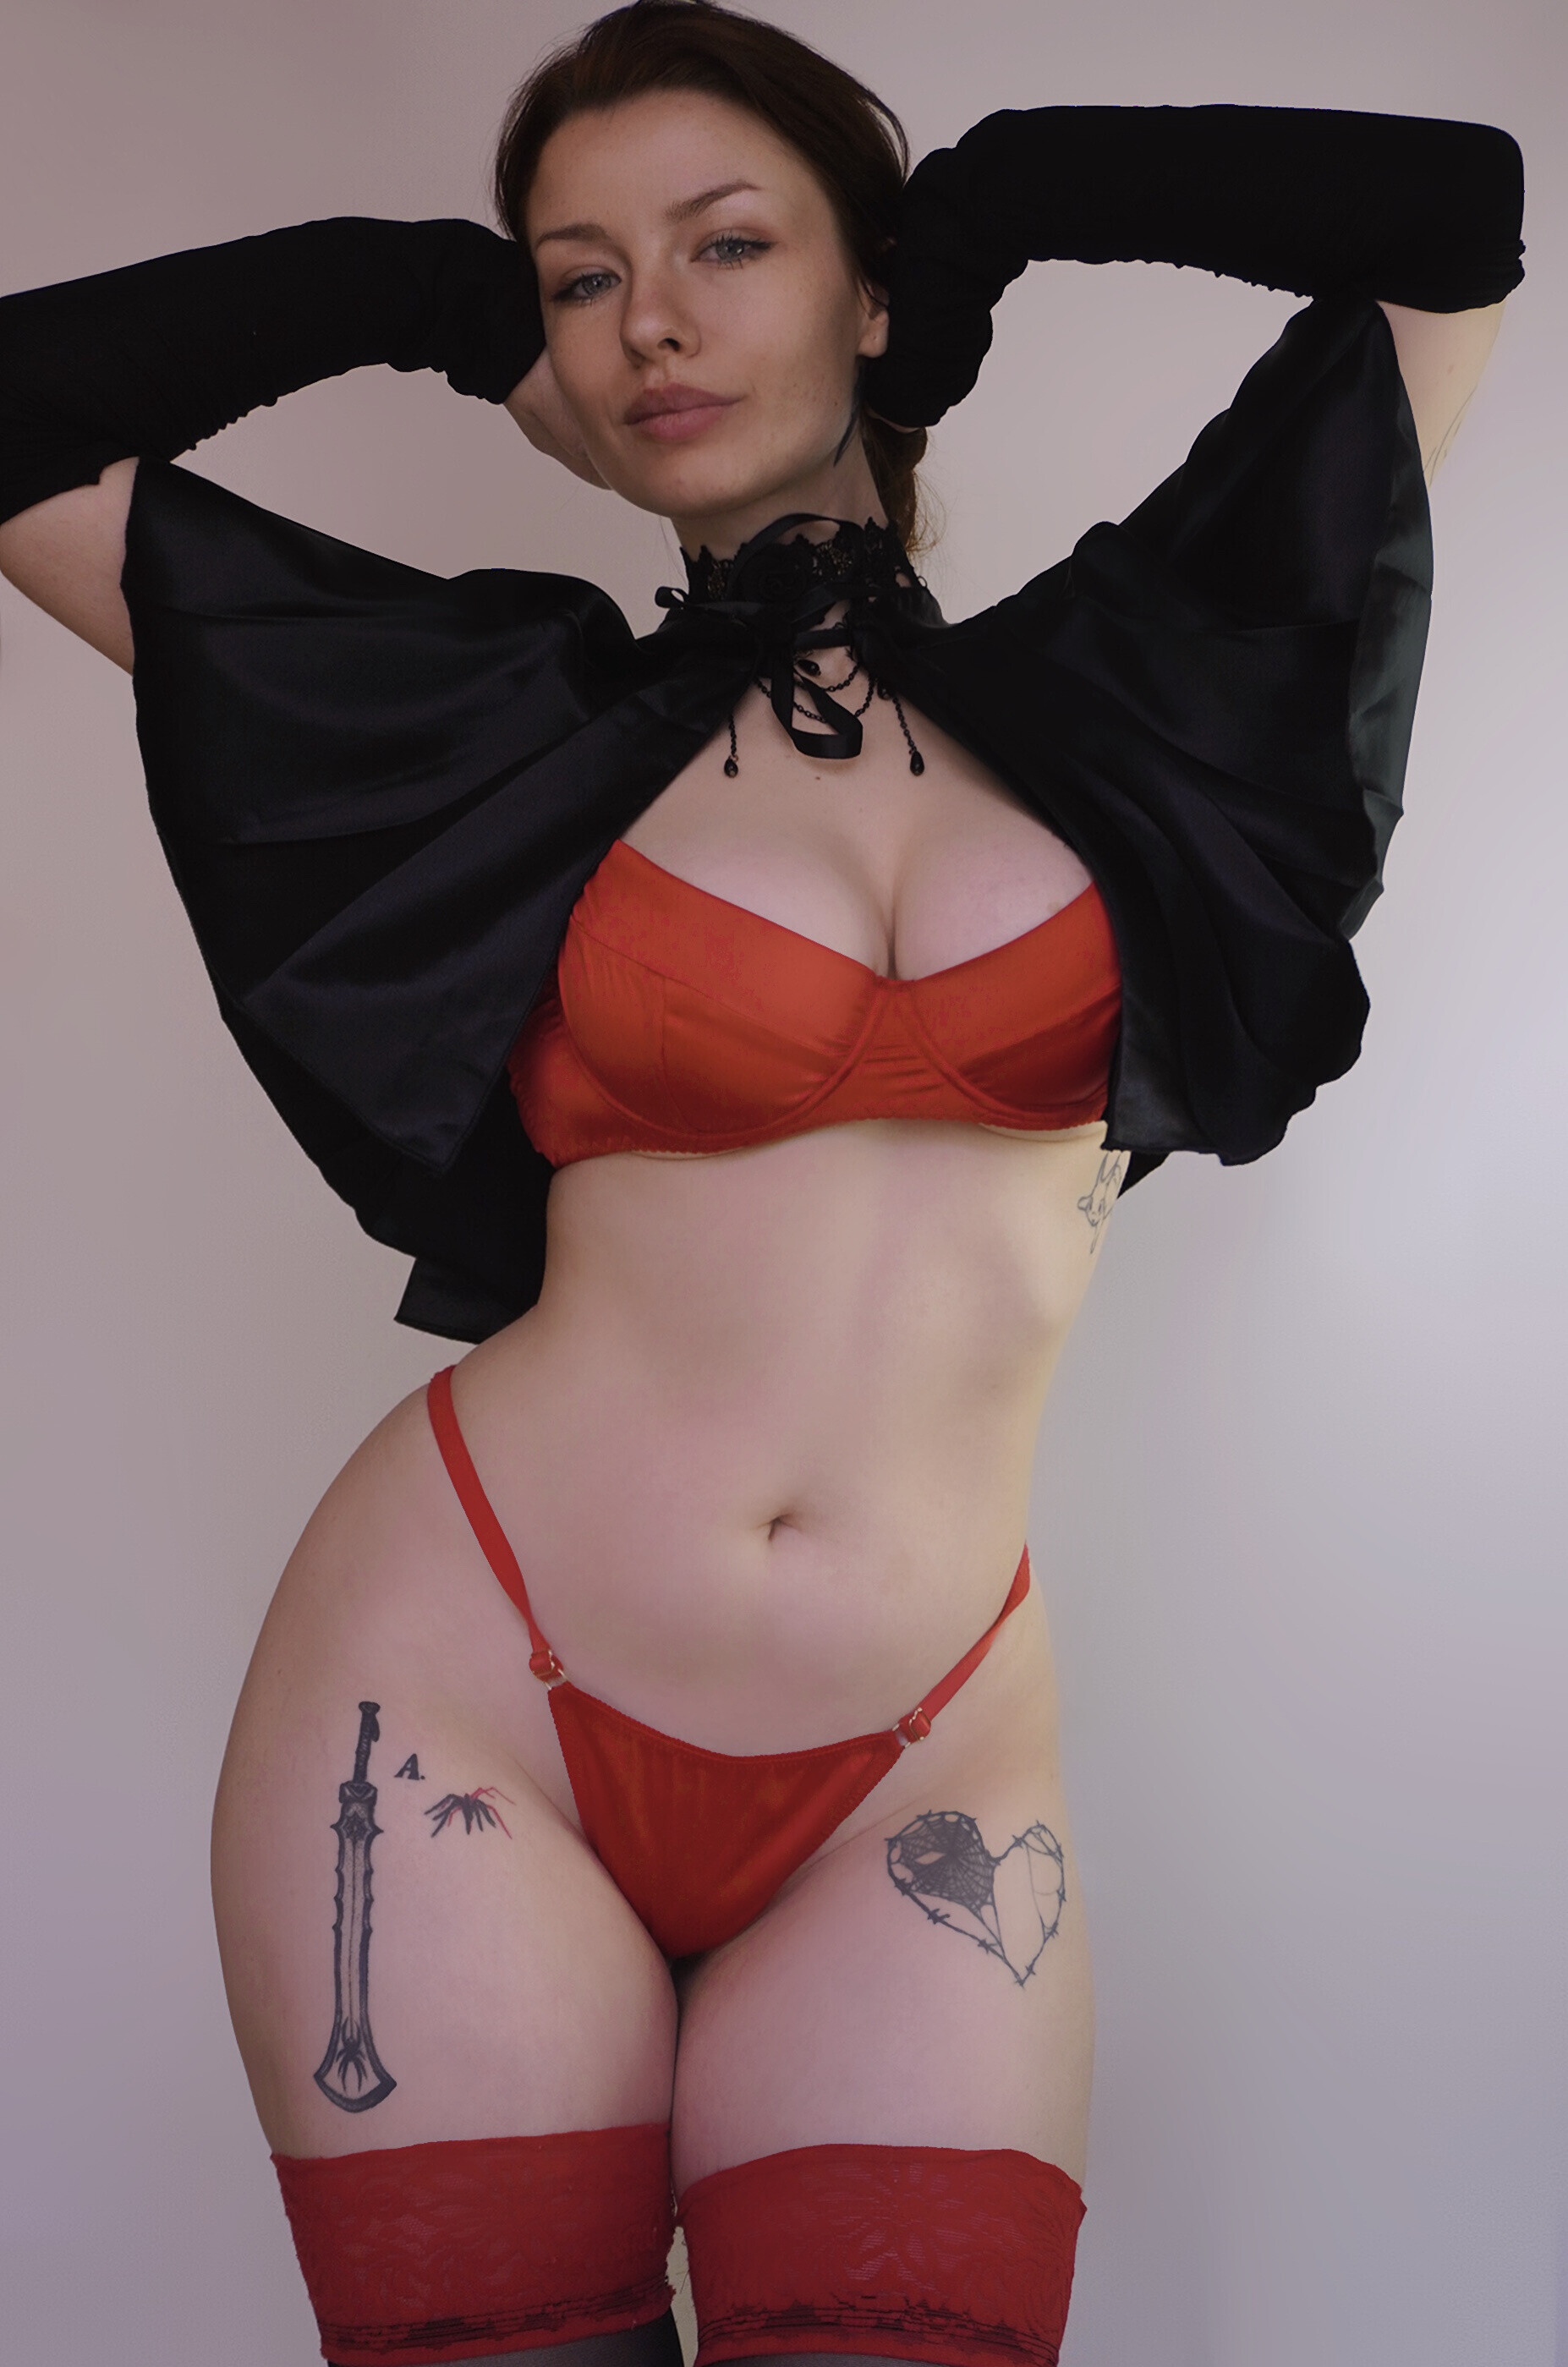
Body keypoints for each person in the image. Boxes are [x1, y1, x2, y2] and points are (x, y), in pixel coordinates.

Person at [0, 3, 1525, 2364]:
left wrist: (1016, 195)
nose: (654, 323)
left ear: (873, 288)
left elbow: (1457, 217)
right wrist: (427, 300)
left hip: (923, 1754)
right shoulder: (502, 733)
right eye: (581, 276)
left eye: (729, 244)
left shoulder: (1141, 690)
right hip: (464, 1700)